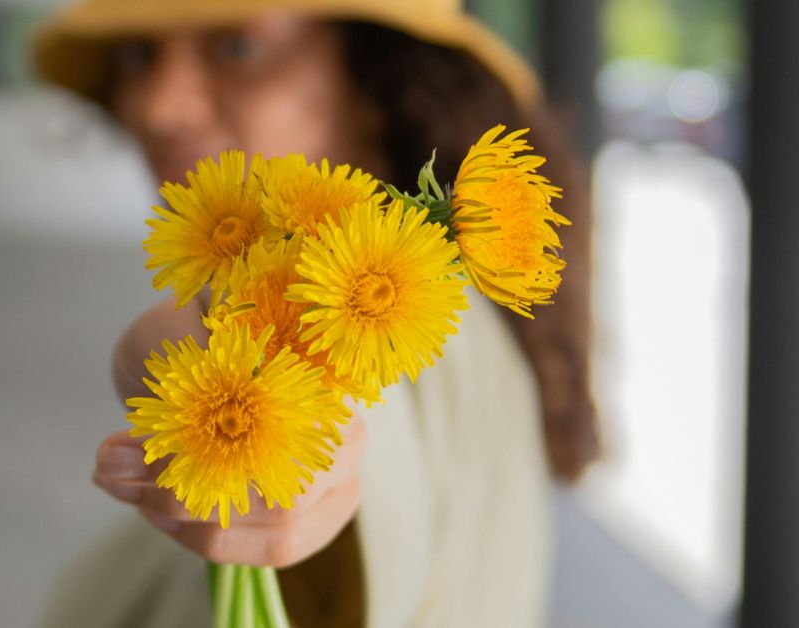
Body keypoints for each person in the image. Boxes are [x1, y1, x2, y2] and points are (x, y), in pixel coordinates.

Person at [34, 1, 598, 626]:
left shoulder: (414, 330)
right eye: (141, 55)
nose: (155, 107)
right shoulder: (475, 327)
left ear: (378, 80)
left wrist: (203, 371)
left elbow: (359, 445)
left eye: (238, 48)